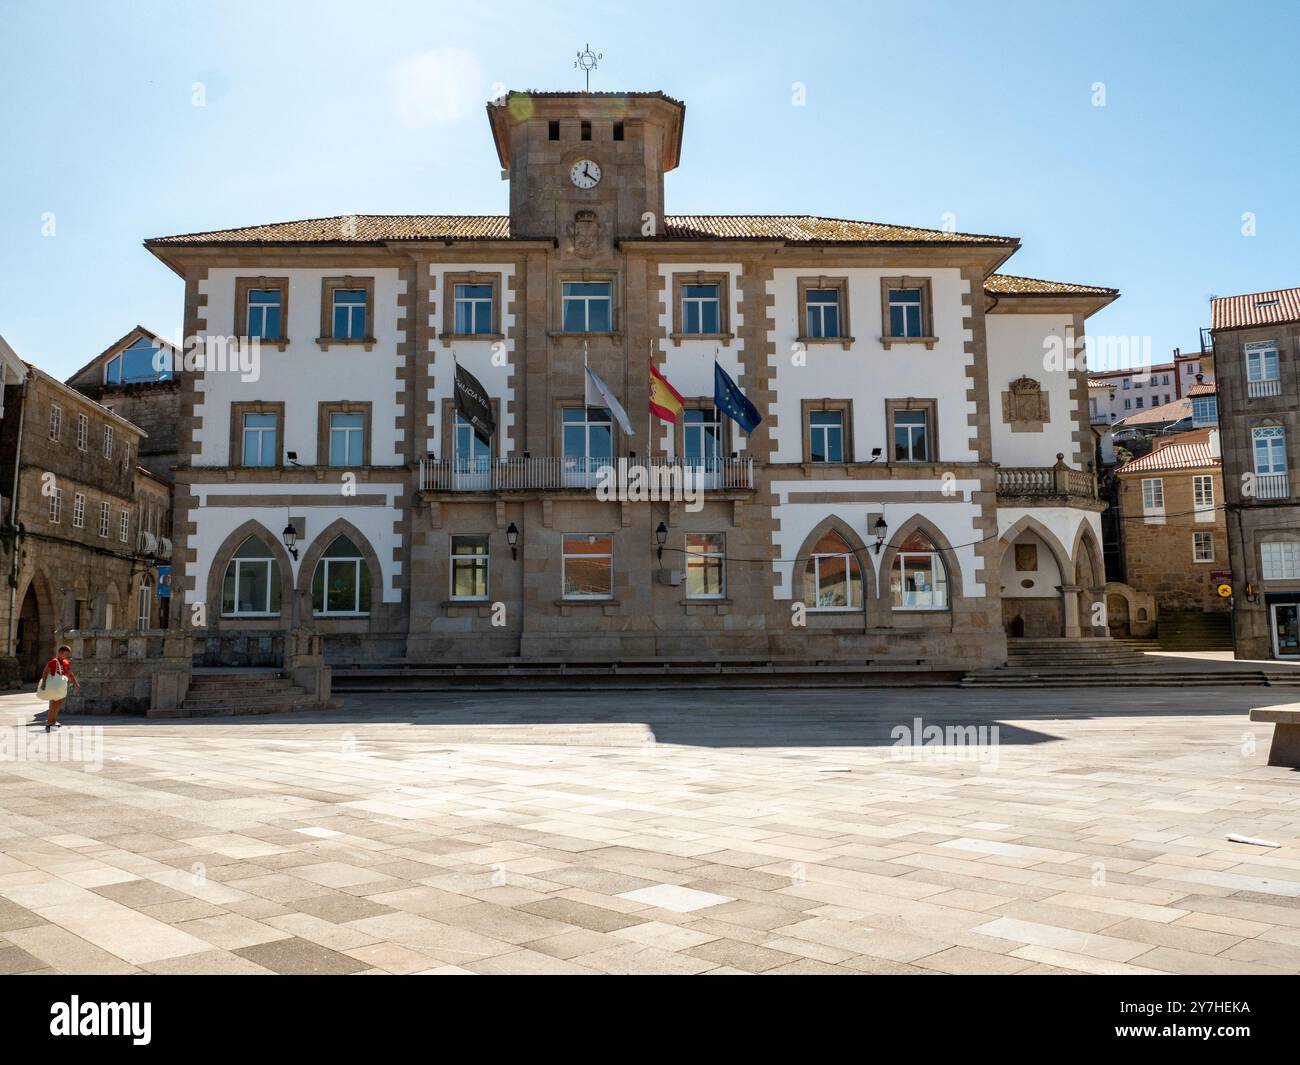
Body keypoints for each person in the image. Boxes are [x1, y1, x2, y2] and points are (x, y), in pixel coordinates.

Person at [39, 644, 80, 732]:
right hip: (54, 685)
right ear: (60, 653)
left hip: (60, 685)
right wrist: (44, 683)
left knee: (58, 703)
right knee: (55, 703)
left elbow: (69, 673)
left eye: (68, 654)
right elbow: (46, 671)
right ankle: (50, 721)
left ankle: (53, 721)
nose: (67, 656)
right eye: (65, 654)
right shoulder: (53, 661)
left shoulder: (65, 662)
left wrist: (75, 683)